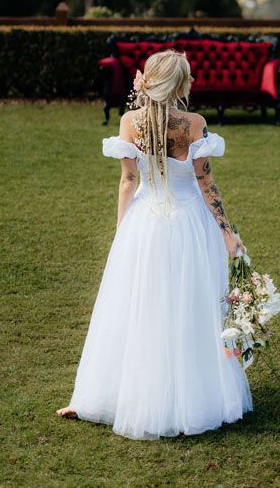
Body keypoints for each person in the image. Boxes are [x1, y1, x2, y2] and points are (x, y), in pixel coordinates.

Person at [56, 48, 253, 439]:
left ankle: (109, 395)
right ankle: (194, 398)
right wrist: (227, 231)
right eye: (188, 78)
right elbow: (205, 183)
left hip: (145, 224)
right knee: (189, 307)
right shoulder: (194, 124)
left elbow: (129, 181)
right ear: (180, 84)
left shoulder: (130, 122)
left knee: (135, 307)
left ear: (146, 81)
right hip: (191, 226)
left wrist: (121, 230)